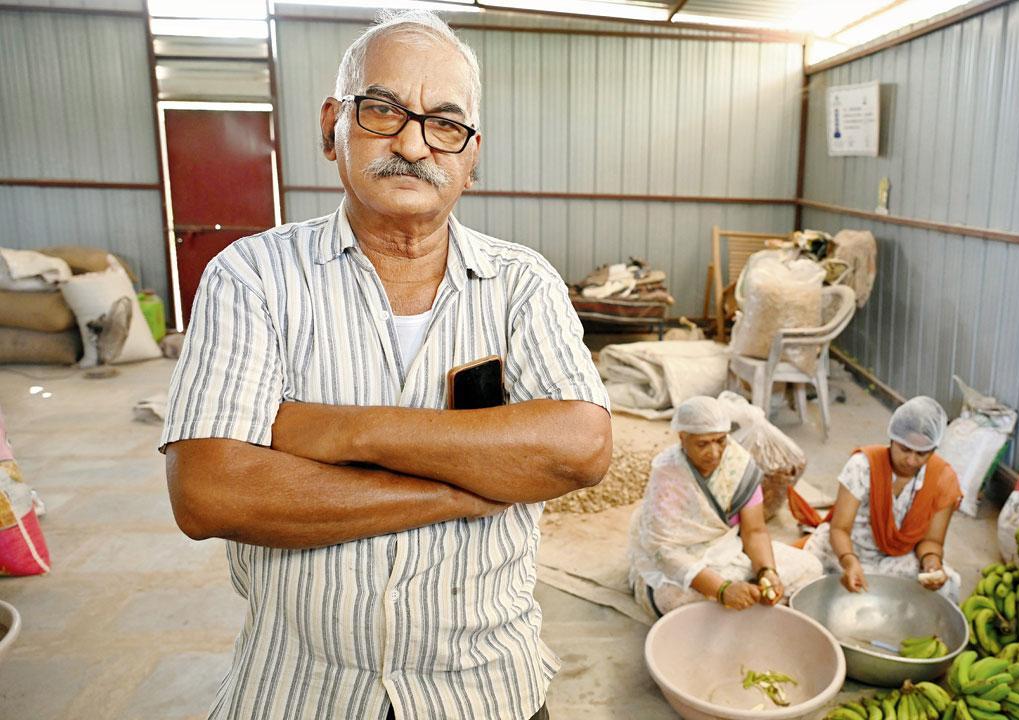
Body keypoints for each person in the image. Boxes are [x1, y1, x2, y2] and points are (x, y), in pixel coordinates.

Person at [161, 10, 611, 720]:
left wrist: (341, 434)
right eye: (383, 109)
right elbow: (210, 494)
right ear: (331, 127)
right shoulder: (251, 277)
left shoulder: (523, 283)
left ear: (471, 156)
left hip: (487, 688)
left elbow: (580, 447)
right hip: (301, 691)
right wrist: (465, 489)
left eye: (445, 123)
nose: (411, 141)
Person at [628, 397, 822, 617]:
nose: (714, 452)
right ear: (683, 438)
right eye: (702, 444)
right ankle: (734, 602)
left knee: (810, 568)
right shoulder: (668, 474)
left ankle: (737, 600)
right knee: (674, 601)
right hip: (683, 563)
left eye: (720, 440)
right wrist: (722, 589)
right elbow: (664, 551)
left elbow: (755, 531)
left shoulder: (738, 465)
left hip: (726, 551)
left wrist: (767, 572)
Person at [802, 396, 963, 603]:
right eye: (905, 449)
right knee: (808, 574)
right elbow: (839, 528)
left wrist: (931, 563)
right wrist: (849, 561)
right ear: (892, 439)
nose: (911, 460)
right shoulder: (863, 466)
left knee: (947, 586)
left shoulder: (943, 479)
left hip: (898, 558)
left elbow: (931, 542)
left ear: (933, 449)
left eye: (922, 453)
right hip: (849, 549)